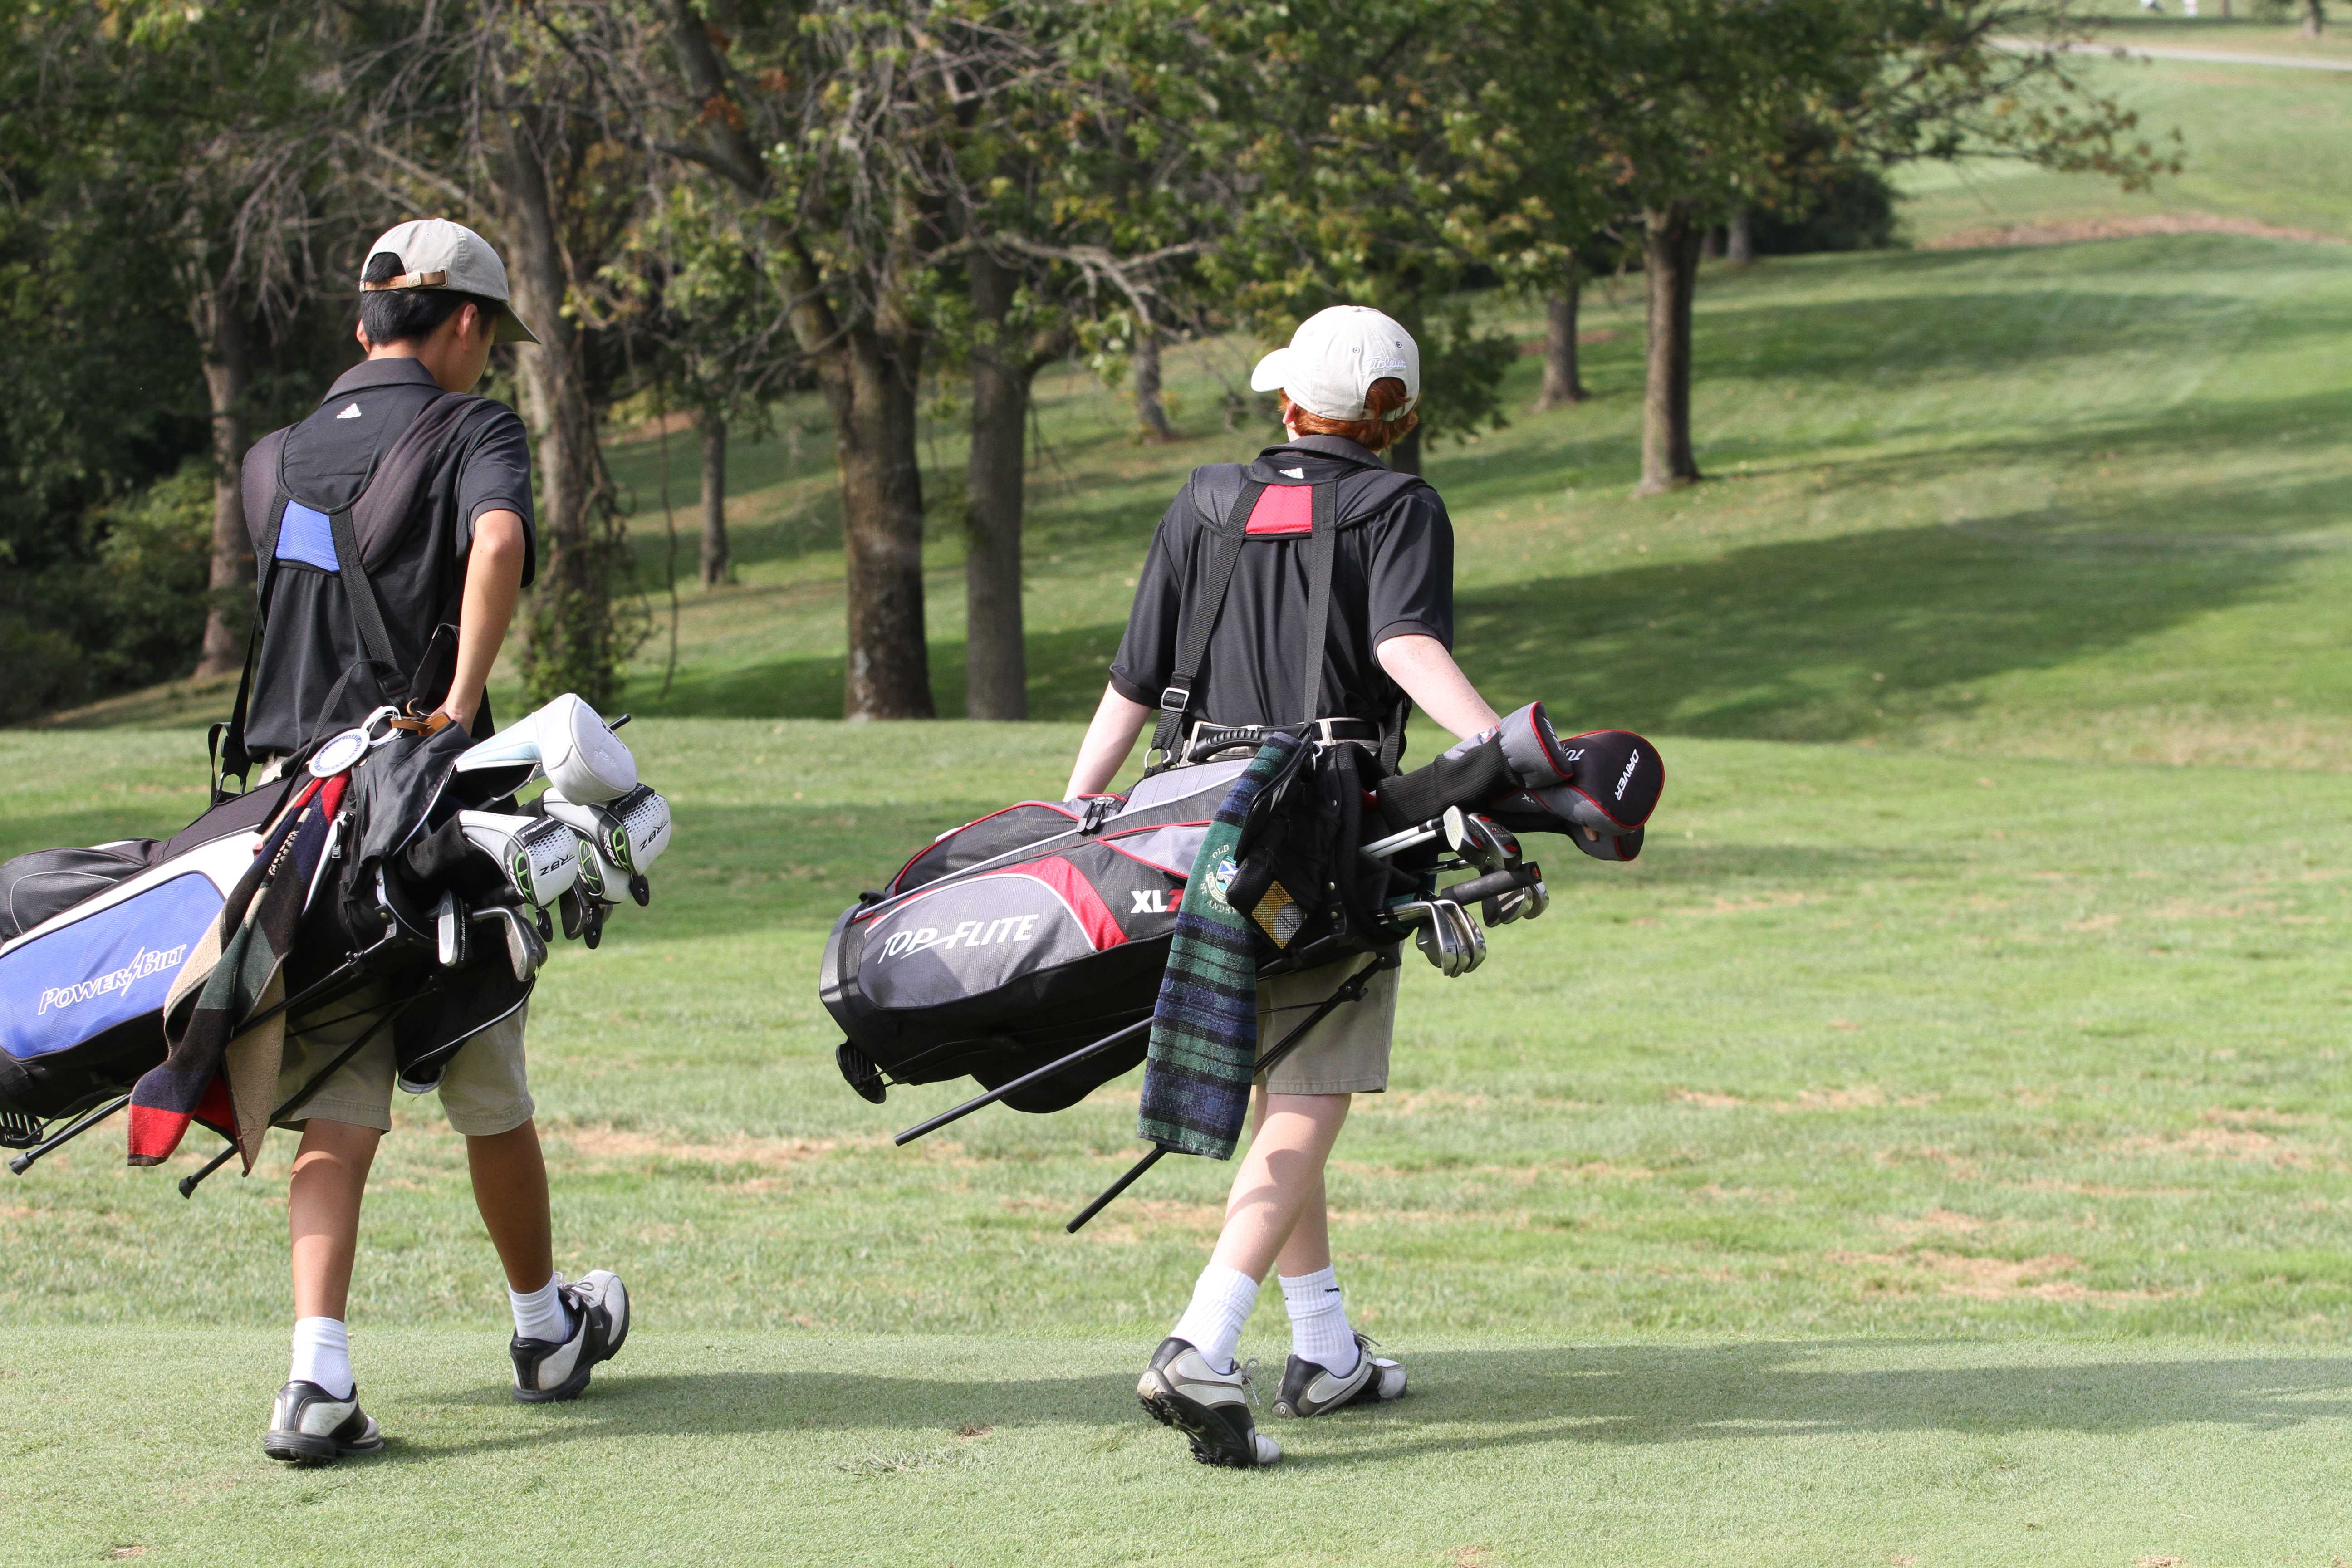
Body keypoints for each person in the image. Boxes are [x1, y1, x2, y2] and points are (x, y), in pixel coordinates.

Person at [1062, 305, 1504, 1469]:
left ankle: (1327, 1351)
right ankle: (1204, 1340)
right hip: (1317, 839)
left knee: (1278, 1079)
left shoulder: (1207, 500)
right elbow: (1405, 649)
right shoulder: (1401, 505)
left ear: (1288, 403)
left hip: (1188, 830)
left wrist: (1078, 809)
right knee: (1312, 1092)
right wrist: (1502, 746)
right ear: (1397, 415)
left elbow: (1133, 678)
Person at [233, 219, 628, 1465]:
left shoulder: (273, 459)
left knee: (334, 1109)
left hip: (302, 822)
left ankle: (317, 1379)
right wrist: (459, 706)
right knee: (486, 1085)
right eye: (488, 335)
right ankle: (542, 1330)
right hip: (430, 816)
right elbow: (498, 543)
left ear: (365, 323)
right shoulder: (474, 428)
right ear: (463, 325)